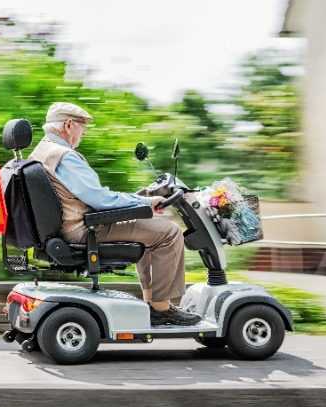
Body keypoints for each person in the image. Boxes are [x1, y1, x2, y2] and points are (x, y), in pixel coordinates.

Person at [27, 102, 200, 326]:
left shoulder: (41, 152)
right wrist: (145, 201)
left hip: (67, 227)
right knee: (170, 232)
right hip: (84, 229)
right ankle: (161, 308)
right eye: (82, 126)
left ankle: (152, 303)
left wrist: (140, 200)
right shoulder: (65, 157)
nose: (84, 132)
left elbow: (90, 196)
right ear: (68, 125)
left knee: (150, 228)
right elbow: (101, 200)